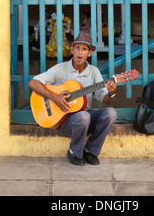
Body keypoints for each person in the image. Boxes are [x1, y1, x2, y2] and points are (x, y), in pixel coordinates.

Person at [28, 31, 117, 166]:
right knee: (83, 116)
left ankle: (90, 150)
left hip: (85, 120)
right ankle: (74, 152)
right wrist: (55, 98)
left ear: (90, 53)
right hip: (65, 122)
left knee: (110, 113)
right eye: (77, 48)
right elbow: (33, 83)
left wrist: (110, 93)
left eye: (84, 49)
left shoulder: (94, 72)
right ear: (72, 50)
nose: (80, 53)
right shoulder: (60, 69)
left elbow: (104, 99)